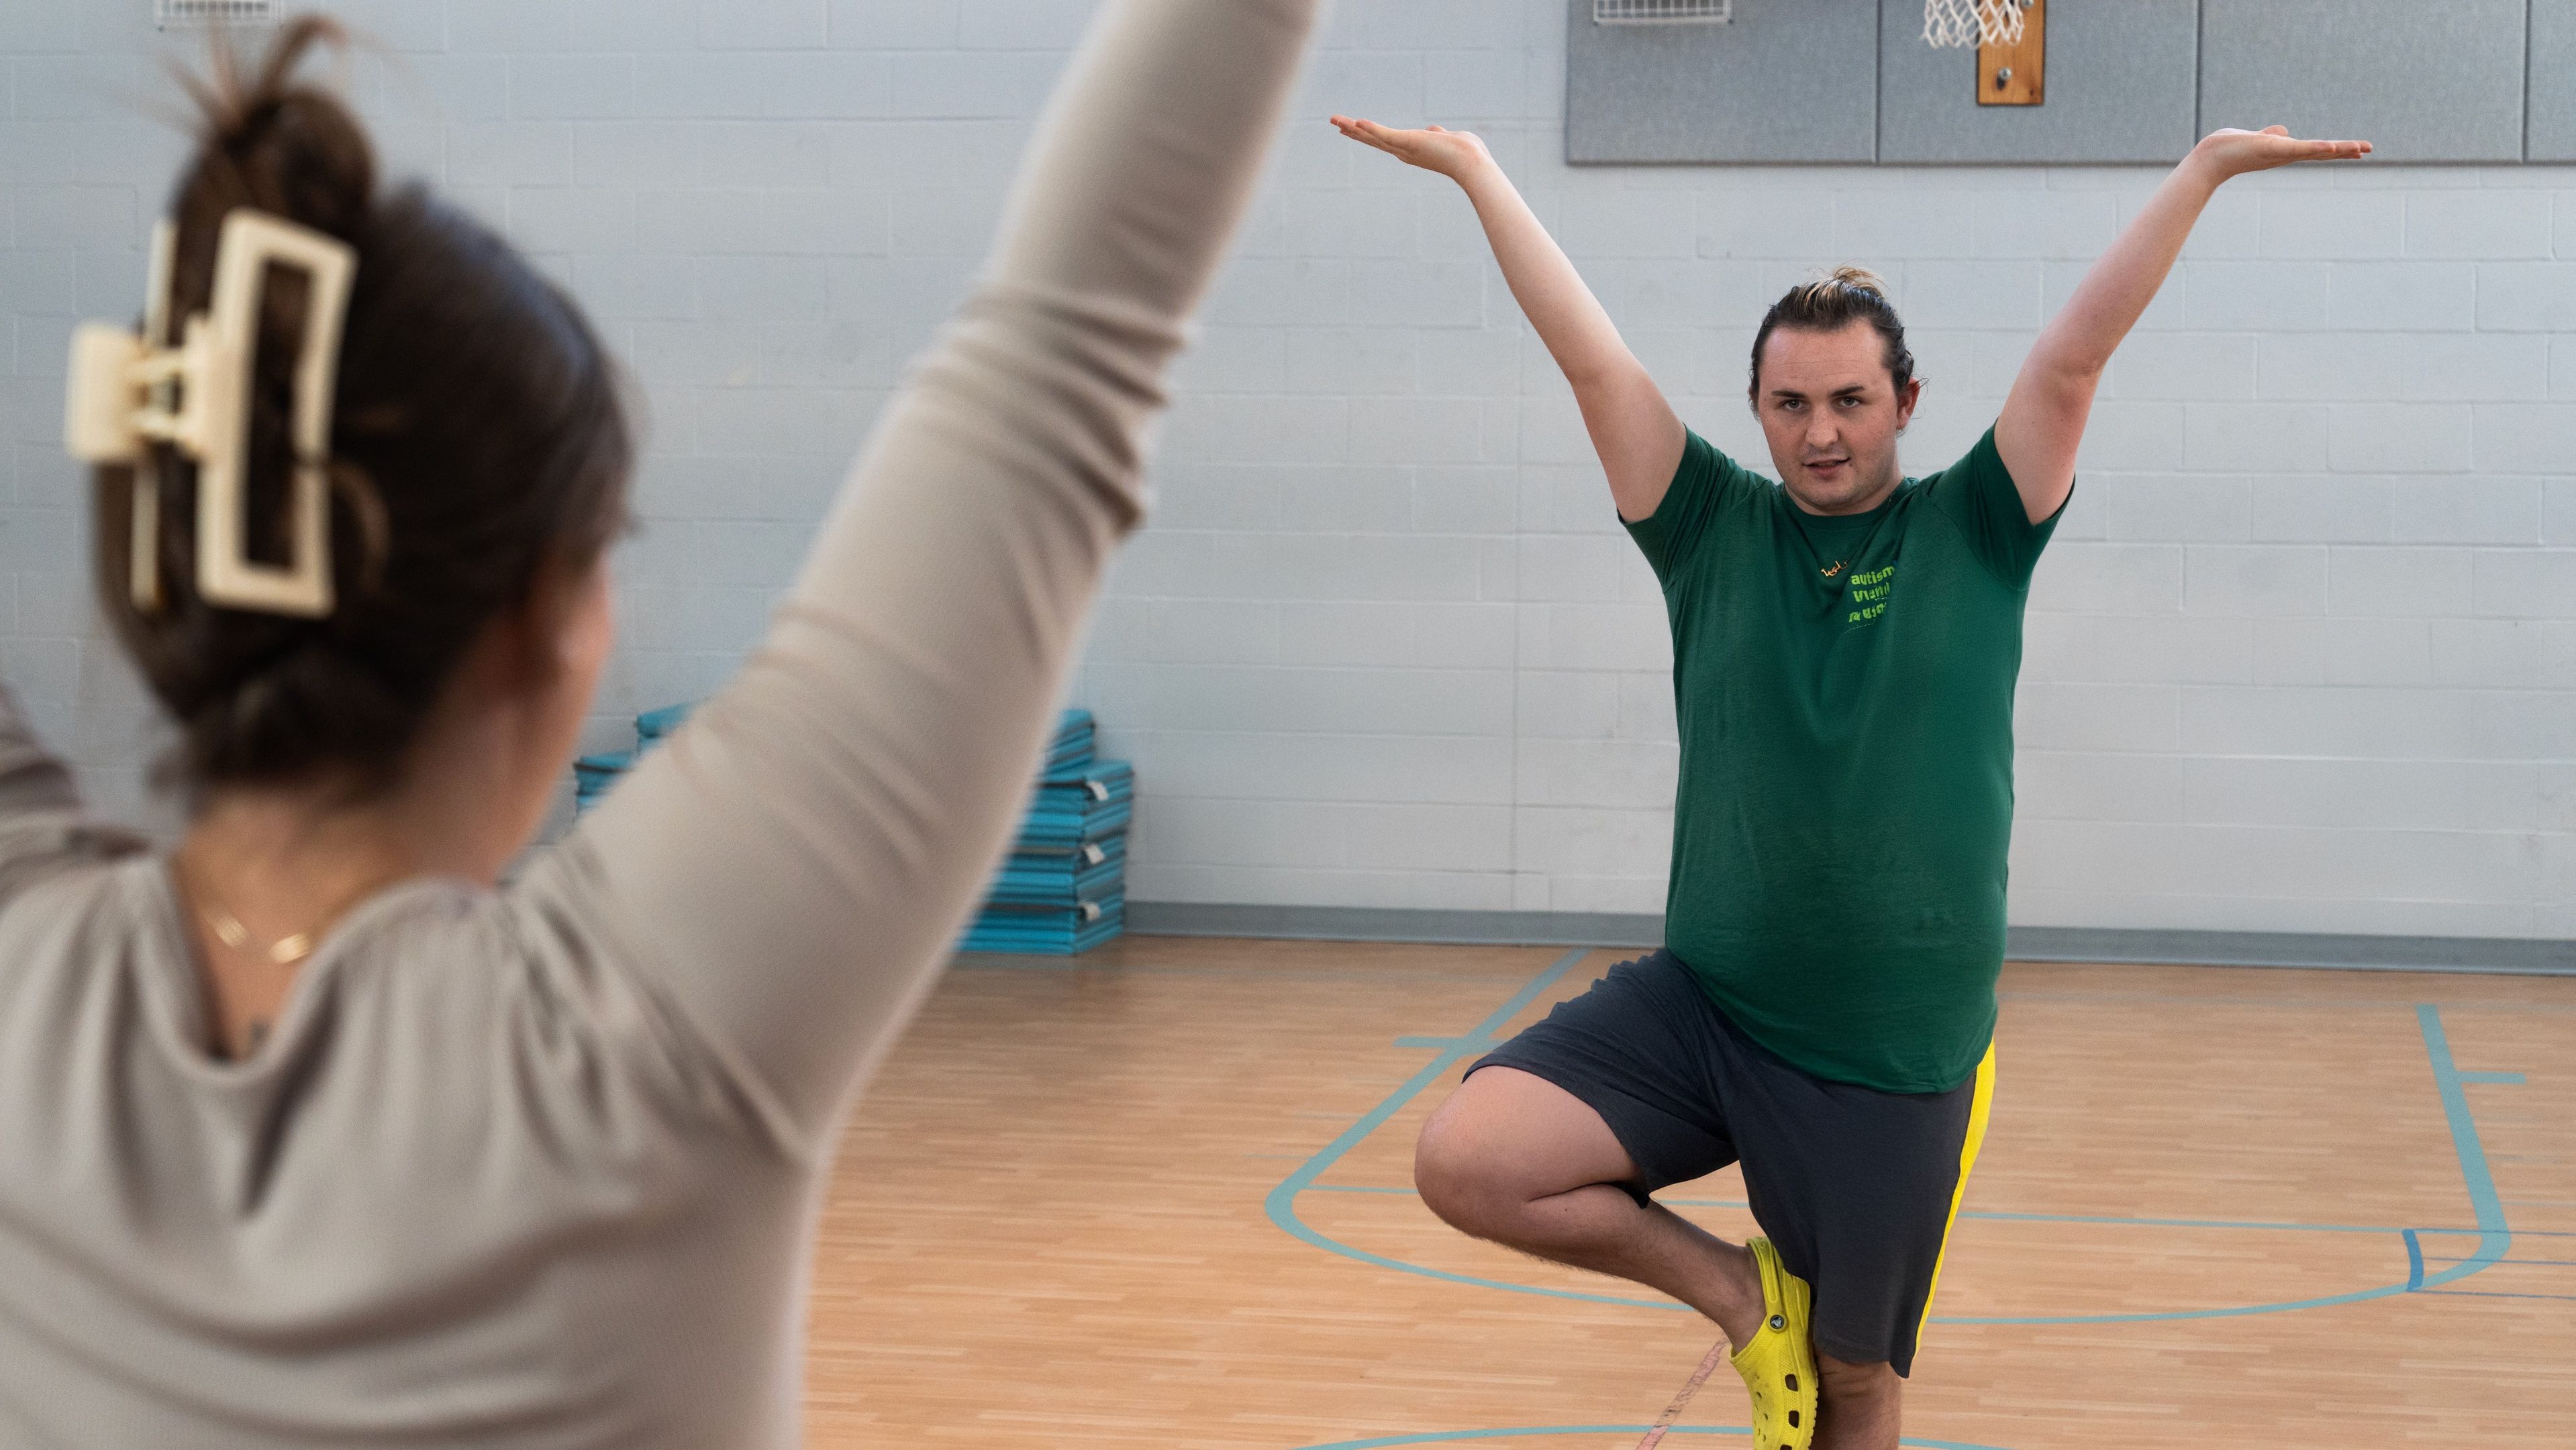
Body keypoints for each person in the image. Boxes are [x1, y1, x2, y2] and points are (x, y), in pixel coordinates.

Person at [0, 3, 1320, 1443]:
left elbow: (1066, 359)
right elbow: (1065, 351)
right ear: (541, 612)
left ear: (159, 565)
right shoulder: (638, 1033)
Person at [1331, 114, 2369, 1450]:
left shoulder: (1975, 526)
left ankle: (1808, 1330)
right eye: (1789, 404)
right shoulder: (1706, 527)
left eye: (1849, 401)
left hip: (1888, 1044)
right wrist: (1479, 171)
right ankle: (1736, 1297)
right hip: (1709, 1002)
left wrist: (2203, 168)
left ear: (1904, 405)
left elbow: (2071, 356)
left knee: (1856, 1383)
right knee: (1470, 1162)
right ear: (1757, 409)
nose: (1818, 433)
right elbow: (1592, 361)